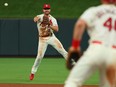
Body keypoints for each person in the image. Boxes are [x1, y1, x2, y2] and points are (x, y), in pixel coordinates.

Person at [64, 0, 116, 87]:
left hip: (96, 49)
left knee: (73, 82)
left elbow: (80, 24)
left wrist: (75, 46)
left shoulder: (94, 10)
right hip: (114, 55)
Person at [29, 4, 67, 80]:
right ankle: (33, 72)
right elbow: (35, 18)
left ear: (50, 10)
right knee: (39, 56)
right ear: (43, 10)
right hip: (42, 39)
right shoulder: (40, 16)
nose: (47, 10)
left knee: (63, 51)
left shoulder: (53, 19)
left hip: (51, 37)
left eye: (48, 9)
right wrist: (36, 19)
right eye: (45, 9)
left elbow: (56, 29)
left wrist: (49, 25)